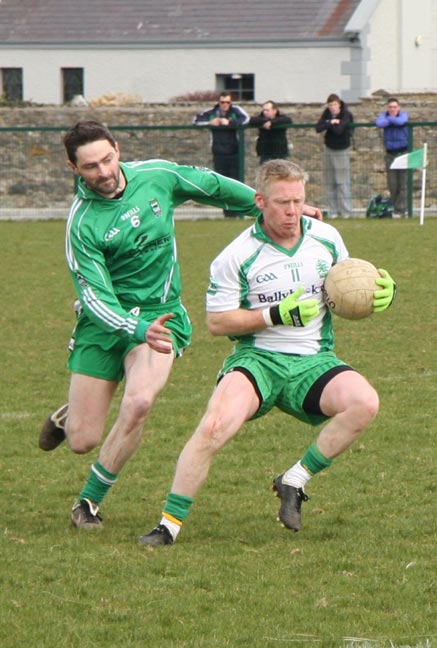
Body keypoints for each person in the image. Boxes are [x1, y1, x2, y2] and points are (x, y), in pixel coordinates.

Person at [39, 122, 323, 532]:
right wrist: (134, 329)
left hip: (162, 314)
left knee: (138, 403)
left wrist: (266, 207)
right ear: (73, 167)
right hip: (107, 323)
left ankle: (89, 502)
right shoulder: (82, 224)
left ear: (118, 149)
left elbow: (211, 186)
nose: (102, 171)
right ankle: (70, 416)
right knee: (83, 440)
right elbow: (96, 297)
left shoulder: (156, 176)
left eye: (107, 159)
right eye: (89, 166)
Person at [138, 159, 396, 547]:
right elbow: (218, 323)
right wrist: (274, 315)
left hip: (314, 360)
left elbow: (346, 288)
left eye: (298, 201)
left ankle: (294, 480)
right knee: (212, 428)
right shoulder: (237, 255)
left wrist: (380, 294)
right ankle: (169, 525)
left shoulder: (327, 238)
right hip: (258, 360)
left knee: (365, 402)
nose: (292, 211)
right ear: (260, 201)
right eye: (282, 202)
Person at [193, 92, 249, 217]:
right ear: (219, 102)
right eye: (222, 102)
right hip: (218, 152)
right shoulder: (212, 112)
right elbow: (196, 120)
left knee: (236, 182)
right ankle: (227, 213)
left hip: (235, 152)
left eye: (228, 102)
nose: (225, 105)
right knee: (222, 184)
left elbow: (246, 119)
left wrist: (229, 122)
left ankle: (239, 212)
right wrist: (210, 122)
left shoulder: (236, 111)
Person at [315, 93, 353, 219]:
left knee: (342, 182)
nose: (332, 107)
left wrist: (330, 124)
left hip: (341, 150)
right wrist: (331, 122)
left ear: (339, 105)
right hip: (328, 149)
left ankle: (346, 212)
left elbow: (339, 130)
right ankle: (333, 211)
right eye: (330, 105)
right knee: (329, 181)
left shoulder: (346, 114)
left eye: (334, 105)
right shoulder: (327, 113)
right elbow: (318, 127)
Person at [375, 97, 409, 218]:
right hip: (390, 154)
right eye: (390, 107)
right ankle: (395, 209)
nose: (392, 109)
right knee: (392, 184)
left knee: (403, 184)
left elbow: (401, 122)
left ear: (399, 107)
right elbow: (379, 123)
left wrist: (389, 119)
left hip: (403, 152)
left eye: (395, 107)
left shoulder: (404, 115)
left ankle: (402, 210)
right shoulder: (383, 116)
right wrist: (391, 119)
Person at [249, 100, 292, 165]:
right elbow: (252, 120)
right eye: (264, 110)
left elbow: (288, 120)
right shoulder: (260, 118)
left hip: (279, 152)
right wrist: (265, 121)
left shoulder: (281, 118)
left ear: (274, 111)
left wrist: (272, 122)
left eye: (267, 110)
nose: (265, 112)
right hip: (265, 152)